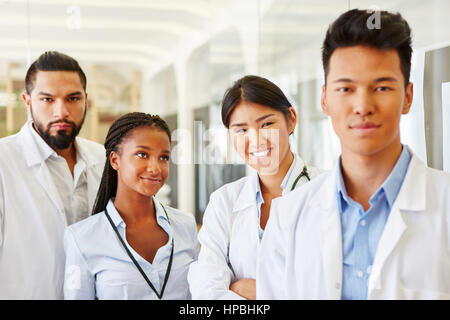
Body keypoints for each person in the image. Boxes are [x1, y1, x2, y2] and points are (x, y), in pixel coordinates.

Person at [257, 9, 450, 300]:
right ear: (324, 98)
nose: (362, 105)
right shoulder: (288, 218)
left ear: (408, 97)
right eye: (346, 88)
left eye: (382, 87)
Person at [187, 75, 321, 299]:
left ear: (291, 120)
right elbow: (206, 290)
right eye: (241, 130)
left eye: (267, 124)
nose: (257, 140)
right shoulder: (224, 201)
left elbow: (328, 287)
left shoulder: (327, 190)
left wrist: (252, 291)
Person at [0, 51, 105, 299]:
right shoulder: (3, 160)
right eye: (47, 99)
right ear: (27, 101)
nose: (61, 112)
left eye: (72, 98)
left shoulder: (102, 158)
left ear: (86, 100)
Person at [63, 112, 199, 300]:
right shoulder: (81, 238)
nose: (155, 168)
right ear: (114, 160)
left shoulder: (185, 225)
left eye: (164, 157)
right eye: (142, 155)